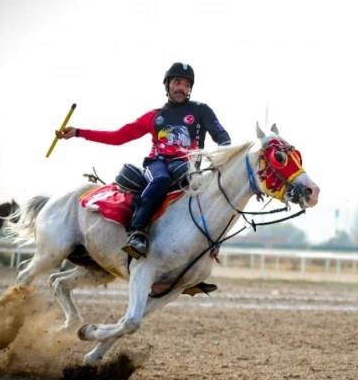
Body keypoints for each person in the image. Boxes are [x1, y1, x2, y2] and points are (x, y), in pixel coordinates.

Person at [55, 62, 232, 259]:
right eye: (177, 82)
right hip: (157, 165)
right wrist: (79, 133)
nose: (182, 88)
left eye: (186, 84)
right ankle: (137, 233)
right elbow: (118, 136)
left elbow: (222, 137)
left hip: (187, 167)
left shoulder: (201, 111)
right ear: (167, 85)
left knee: (214, 192)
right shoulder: (153, 116)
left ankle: (213, 243)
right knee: (162, 180)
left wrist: (224, 157)